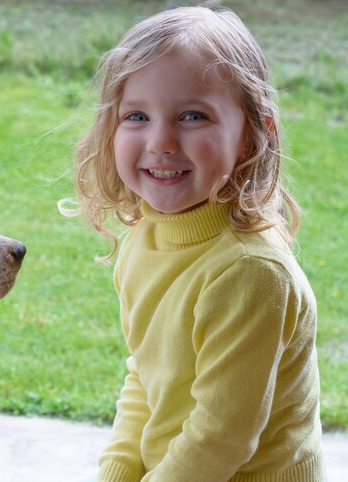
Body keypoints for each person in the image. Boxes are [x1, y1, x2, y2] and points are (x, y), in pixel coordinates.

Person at [65, 5, 323, 481]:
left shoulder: (250, 273)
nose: (161, 141)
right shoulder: (146, 236)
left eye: (192, 116)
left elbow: (221, 435)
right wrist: (117, 472)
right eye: (137, 115)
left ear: (252, 135)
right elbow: (146, 376)